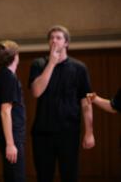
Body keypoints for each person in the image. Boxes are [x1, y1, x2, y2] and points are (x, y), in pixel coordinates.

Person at [28, 25, 95, 182]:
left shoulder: (79, 68)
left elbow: (86, 101)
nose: (54, 41)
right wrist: (51, 63)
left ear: (66, 43)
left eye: (58, 38)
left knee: (69, 176)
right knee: (44, 176)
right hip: (43, 133)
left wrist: (89, 132)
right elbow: (36, 92)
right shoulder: (38, 64)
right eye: (51, 38)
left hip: (69, 132)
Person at [0, 40, 26, 182]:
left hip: (10, 135)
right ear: (15, 56)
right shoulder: (8, 77)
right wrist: (10, 144)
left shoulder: (3, 75)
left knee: (12, 175)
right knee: (16, 177)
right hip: (11, 136)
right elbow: (5, 111)